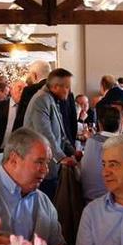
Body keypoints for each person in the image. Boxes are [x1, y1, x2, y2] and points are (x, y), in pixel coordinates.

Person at [25, 68, 78, 197]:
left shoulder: (51, 99)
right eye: (66, 87)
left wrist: (72, 151)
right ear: (55, 87)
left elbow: (60, 133)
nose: (69, 90)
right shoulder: (41, 100)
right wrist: (61, 158)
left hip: (51, 165)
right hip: (42, 167)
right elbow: (44, 135)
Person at [81, 105, 123, 202]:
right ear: (121, 123)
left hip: (87, 200)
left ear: (99, 124)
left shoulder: (90, 141)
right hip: (110, 202)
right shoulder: (120, 144)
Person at [14, 60, 51, 130]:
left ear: (34, 75)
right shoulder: (64, 90)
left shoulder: (30, 91)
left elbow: (21, 119)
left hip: (36, 136)